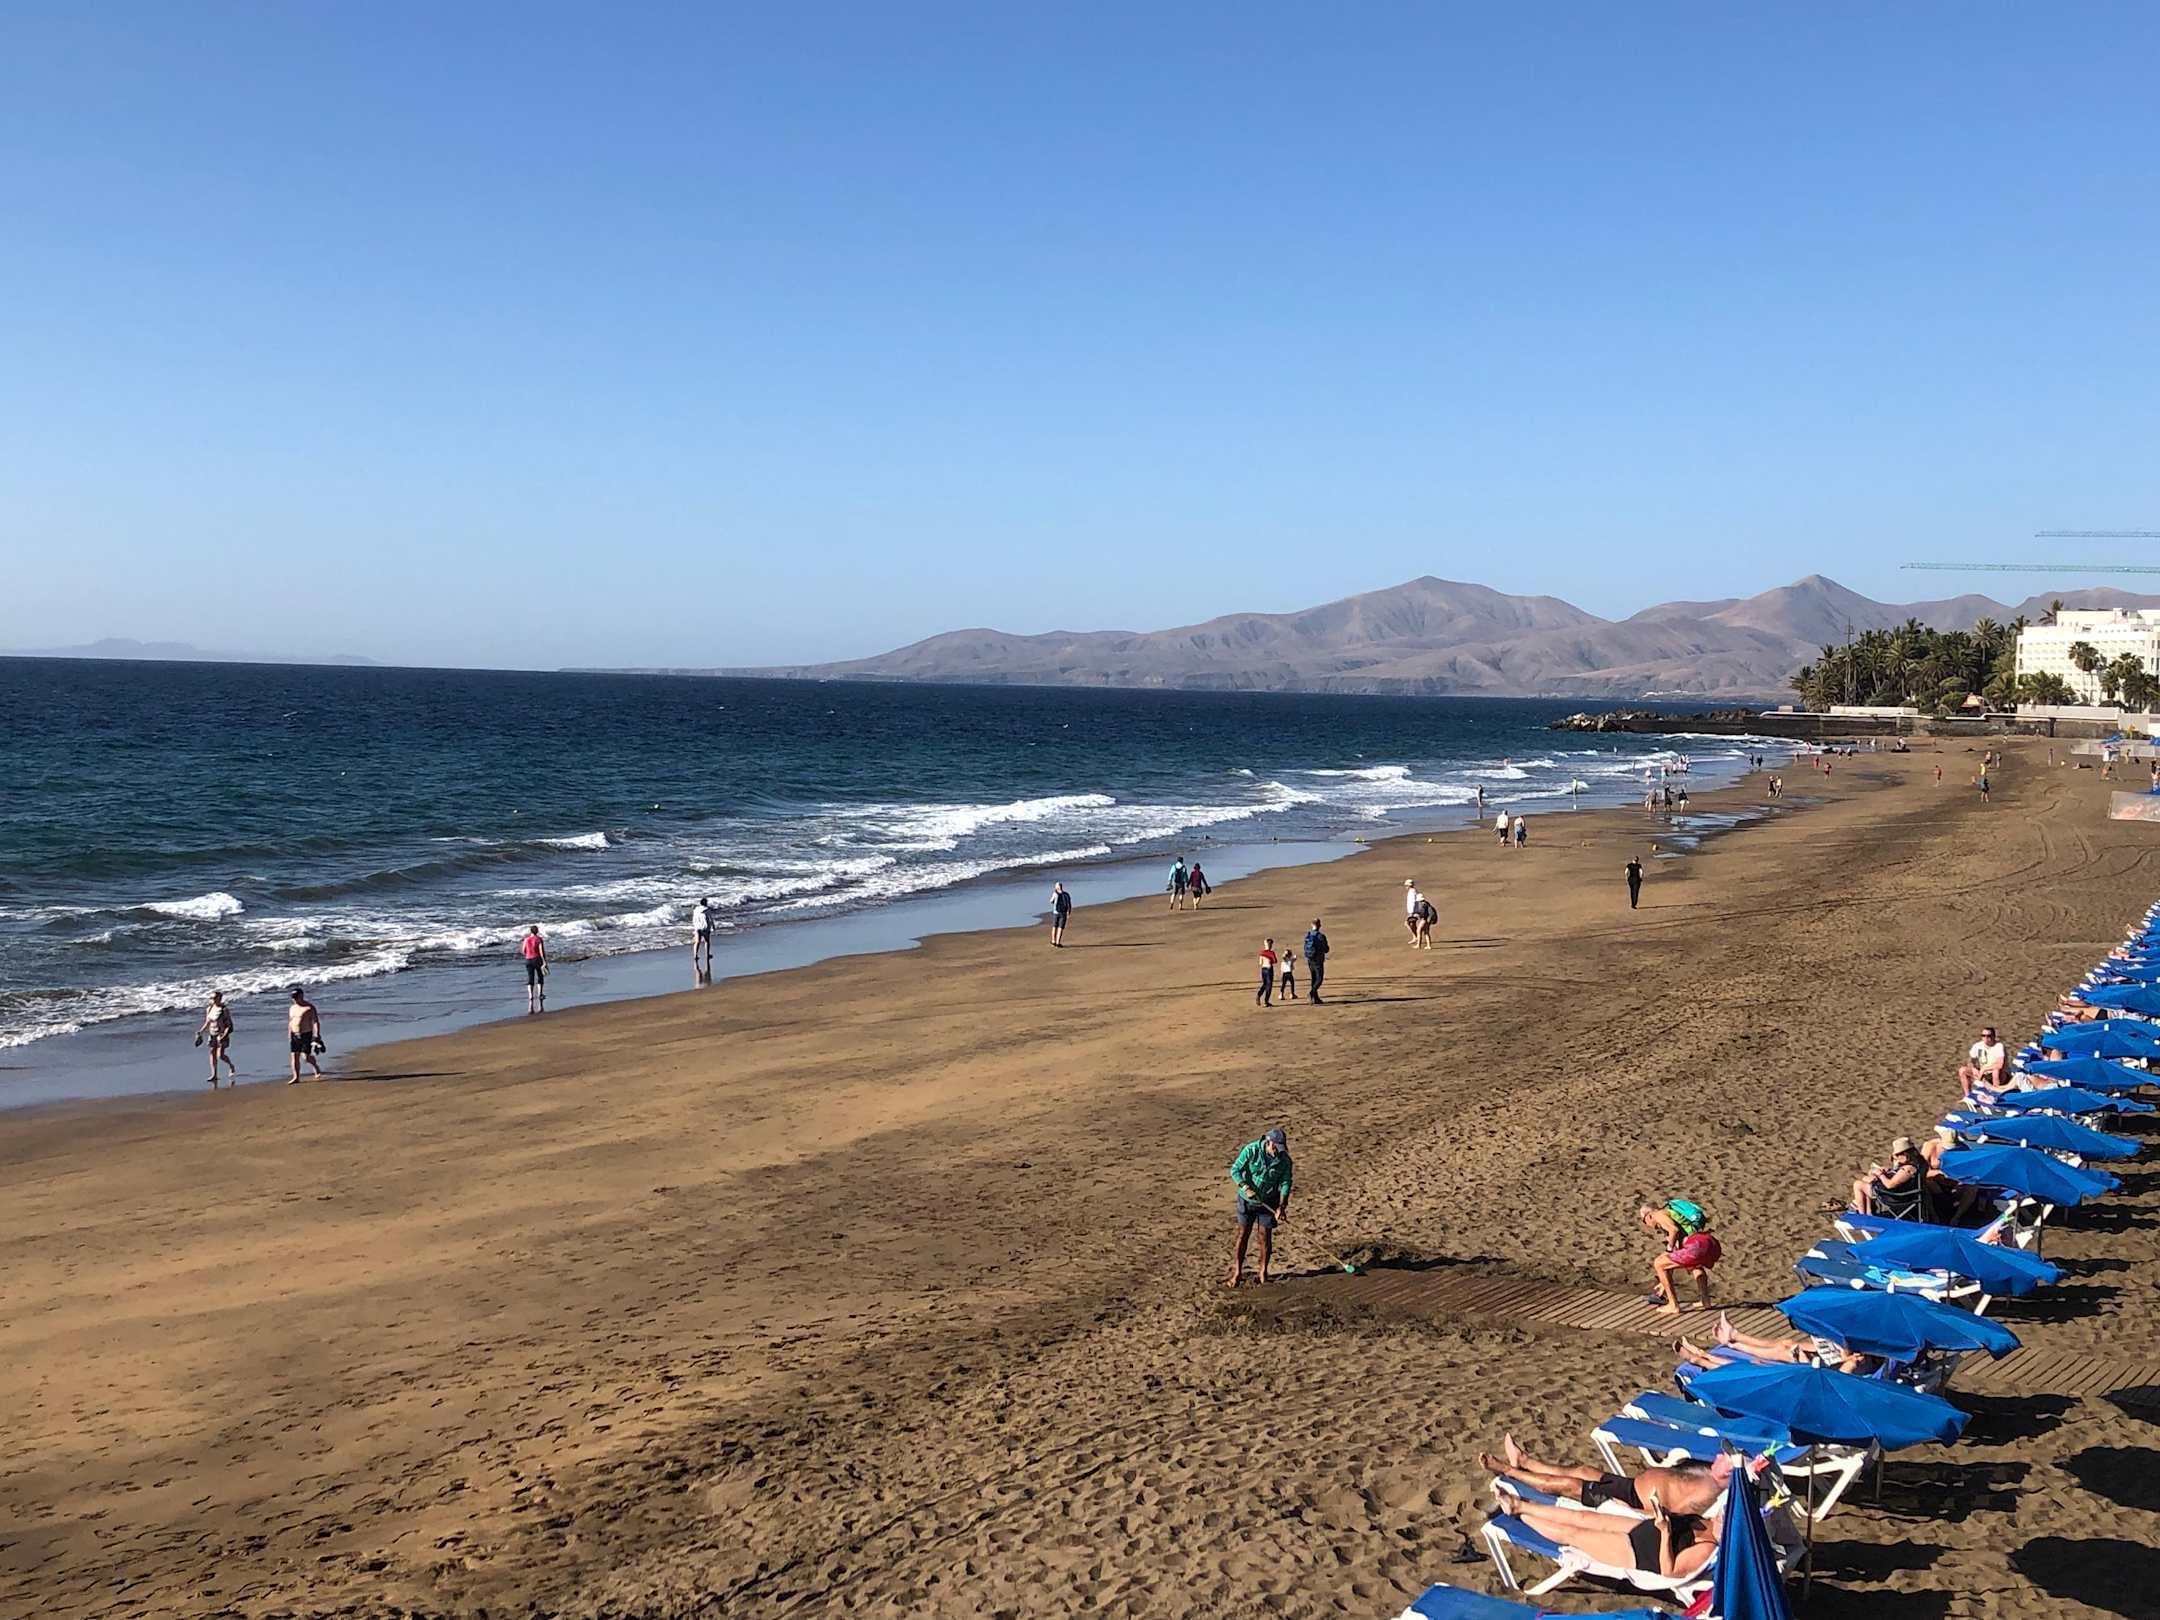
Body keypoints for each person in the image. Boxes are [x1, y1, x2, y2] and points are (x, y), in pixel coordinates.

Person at [1492, 1481, 1718, 1583]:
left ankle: (1519, 1515)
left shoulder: (1707, 1547)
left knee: (1573, 1534)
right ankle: (1519, 1505)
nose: (1721, 1514)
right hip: (1641, 1529)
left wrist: (1665, 1533)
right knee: (1582, 1517)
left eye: (1725, 1518)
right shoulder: (1702, 1519)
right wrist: (1643, 1511)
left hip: (1637, 1553)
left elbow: (1669, 1570)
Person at [1477, 1433, 1729, 1515]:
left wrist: (1632, 1512)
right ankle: (1524, 1461)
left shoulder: (1707, 1495)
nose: (1719, 1456)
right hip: (1631, 1486)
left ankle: (1507, 1469)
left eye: (1724, 1459)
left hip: (1628, 1503)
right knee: (1583, 1471)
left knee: (1568, 1485)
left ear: (1727, 1474)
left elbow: (1672, 1516)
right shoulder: (1709, 1474)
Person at [1677, 1314, 1873, 1375]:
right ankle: (1733, 1341)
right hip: (1820, 1367)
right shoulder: (1859, 1356)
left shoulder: (1854, 1365)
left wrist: (1847, 1358)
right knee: (1787, 1344)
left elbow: (1835, 1380)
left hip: (1811, 1375)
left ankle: (1704, 1359)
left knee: (1758, 1367)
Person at [1227, 1126, 1292, 1286]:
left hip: (1268, 1201)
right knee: (1243, 1234)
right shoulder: (1251, 1150)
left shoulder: (1284, 1160)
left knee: (1265, 1237)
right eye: (1276, 1147)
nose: (1277, 1151)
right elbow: (1235, 1170)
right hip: (1246, 1201)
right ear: (1268, 1142)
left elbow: (1285, 1182)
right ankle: (1237, 1272)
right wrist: (1245, 1187)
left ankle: (1263, 1272)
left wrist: (1282, 1206)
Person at [1640, 1200, 1719, 1315]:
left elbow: (1673, 1230)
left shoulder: (1658, 1214)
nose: (1646, 1225)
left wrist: (1668, 1249)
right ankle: (1705, 1300)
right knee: (1694, 1267)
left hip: (1696, 1246)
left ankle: (1673, 1305)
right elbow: (1673, 1260)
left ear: (1649, 1215)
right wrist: (1663, 1283)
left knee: (1658, 1263)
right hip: (1708, 1242)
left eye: (1644, 1221)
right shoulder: (1679, 1220)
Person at [1851, 1136, 1927, 1220]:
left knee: (1858, 1185)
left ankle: (1862, 1216)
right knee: (1866, 1179)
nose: (1896, 1158)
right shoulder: (1919, 1163)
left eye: (1897, 1155)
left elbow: (1889, 1185)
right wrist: (1888, 1171)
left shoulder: (1907, 1169)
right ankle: (1868, 1212)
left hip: (1896, 1197)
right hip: (1906, 1193)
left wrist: (1880, 1174)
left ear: (1905, 1155)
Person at [194, 990, 237, 1087]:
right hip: (212, 1033)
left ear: (219, 998)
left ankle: (231, 1066)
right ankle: (214, 1074)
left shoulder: (224, 1010)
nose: (213, 999)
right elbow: (207, 1022)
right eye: (212, 998)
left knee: (220, 1055)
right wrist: (201, 1032)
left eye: (214, 998)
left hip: (221, 1034)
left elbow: (229, 1025)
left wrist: (224, 1036)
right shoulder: (209, 1008)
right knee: (212, 1053)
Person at [285, 987, 325, 1085]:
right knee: (294, 1056)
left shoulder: (309, 1008)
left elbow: (315, 1022)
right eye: (293, 997)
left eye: (296, 997)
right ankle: (296, 1077)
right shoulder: (292, 1008)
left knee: (306, 1057)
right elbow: (291, 1021)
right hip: (294, 1035)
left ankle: (315, 1066)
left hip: (306, 1034)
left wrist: (317, 1034)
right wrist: (289, 1033)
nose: (294, 999)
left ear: (301, 996)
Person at [1957, 1025, 2007, 1093]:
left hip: (1998, 1074)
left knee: (1996, 1071)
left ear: (1994, 1036)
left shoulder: (1999, 1046)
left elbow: (2000, 1064)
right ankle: (1968, 1095)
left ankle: (1995, 1093)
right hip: (1983, 1073)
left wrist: (1984, 1069)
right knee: (1962, 1070)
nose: (1986, 1038)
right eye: (1983, 1036)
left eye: (1988, 1036)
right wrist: (1973, 1068)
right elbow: (1970, 1060)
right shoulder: (1977, 1046)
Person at [521, 924, 548, 1012]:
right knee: (540, 976)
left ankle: (530, 996)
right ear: (537, 931)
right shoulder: (539, 939)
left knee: (530, 977)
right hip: (537, 959)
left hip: (528, 959)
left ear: (530, 931)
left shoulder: (526, 939)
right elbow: (541, 951)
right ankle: (540, 994)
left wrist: (528, 955)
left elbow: (523, 951)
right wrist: (544, 961)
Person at [1303, 918, 1329, 1004]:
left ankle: (1315, 998)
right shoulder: (1320, 936)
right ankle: (1312, 993)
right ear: (1319, 925)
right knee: (1319, 979)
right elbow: (1326, 949)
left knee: (1313, 978)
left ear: (1311, 925)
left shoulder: (1308, 935)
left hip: (1310, 959)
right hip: (1318, 960)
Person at [690, 896, 714, 972]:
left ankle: (695, 955)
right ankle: (707, 954)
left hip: (697, 927)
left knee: (697, 942)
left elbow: (694, 919)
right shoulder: (707, 909)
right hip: (705, 927)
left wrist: (694, 926)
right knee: (707, 941)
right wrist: (713, 926)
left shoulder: (696, 909)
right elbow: (710, 919)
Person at [1256, 937, 1277, 1007]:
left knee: (1265, 984)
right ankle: (1266, 1001)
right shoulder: (1271, 953)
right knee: (1269, 986)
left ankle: (1259, 994)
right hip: (1269, 969)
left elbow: (1260, 963)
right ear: (1270, 945)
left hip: (1263, 969)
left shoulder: (1262, 953)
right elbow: (1275, 961)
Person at [1049, 881, 1072, 947]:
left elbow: (1051, 901)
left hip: (1056, 912)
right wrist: (1069, 912)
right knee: (1060, 928)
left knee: (1054, 926)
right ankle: (1058, 942)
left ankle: (1053, 941)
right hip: (1063, 913)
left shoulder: (1055, 894)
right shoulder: (1066, 894)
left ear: (1057, 887)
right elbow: (1069, 904)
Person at [1403, 879, 1424, 946]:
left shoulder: (1412, 892)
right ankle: (1416, 936)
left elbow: (1412, 902)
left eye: (1406, 885)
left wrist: (1411, 912)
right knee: (1412, 924)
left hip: (1413, 911)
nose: (1406, 887)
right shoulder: (1412, 891)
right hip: (1413, 911)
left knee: (1408, 923)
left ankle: (1416, 937)